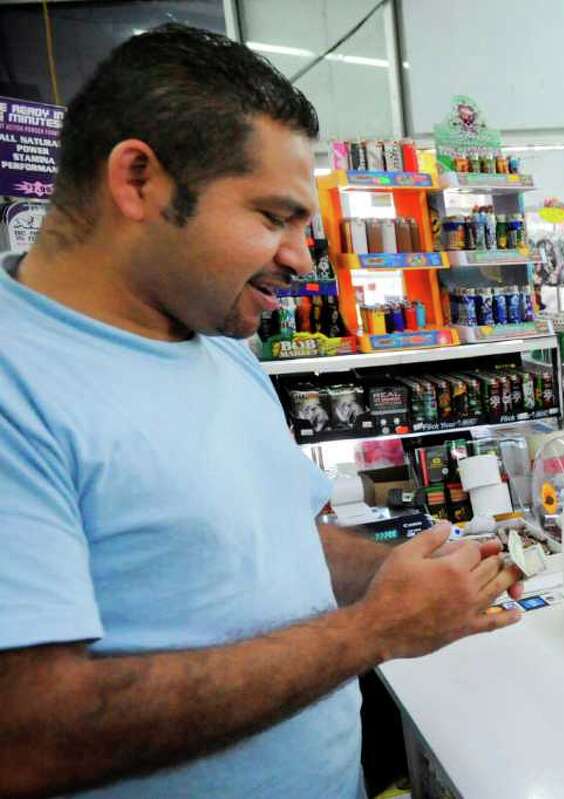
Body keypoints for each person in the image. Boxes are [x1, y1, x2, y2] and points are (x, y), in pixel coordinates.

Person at [0, 25, 523, 798]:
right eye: (273, 216)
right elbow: (28, 735)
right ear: (138, 180)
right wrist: (374, 630)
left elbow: (275, 536)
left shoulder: (218, 343)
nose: (301, 258)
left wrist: (404, 573)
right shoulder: (19, 384)